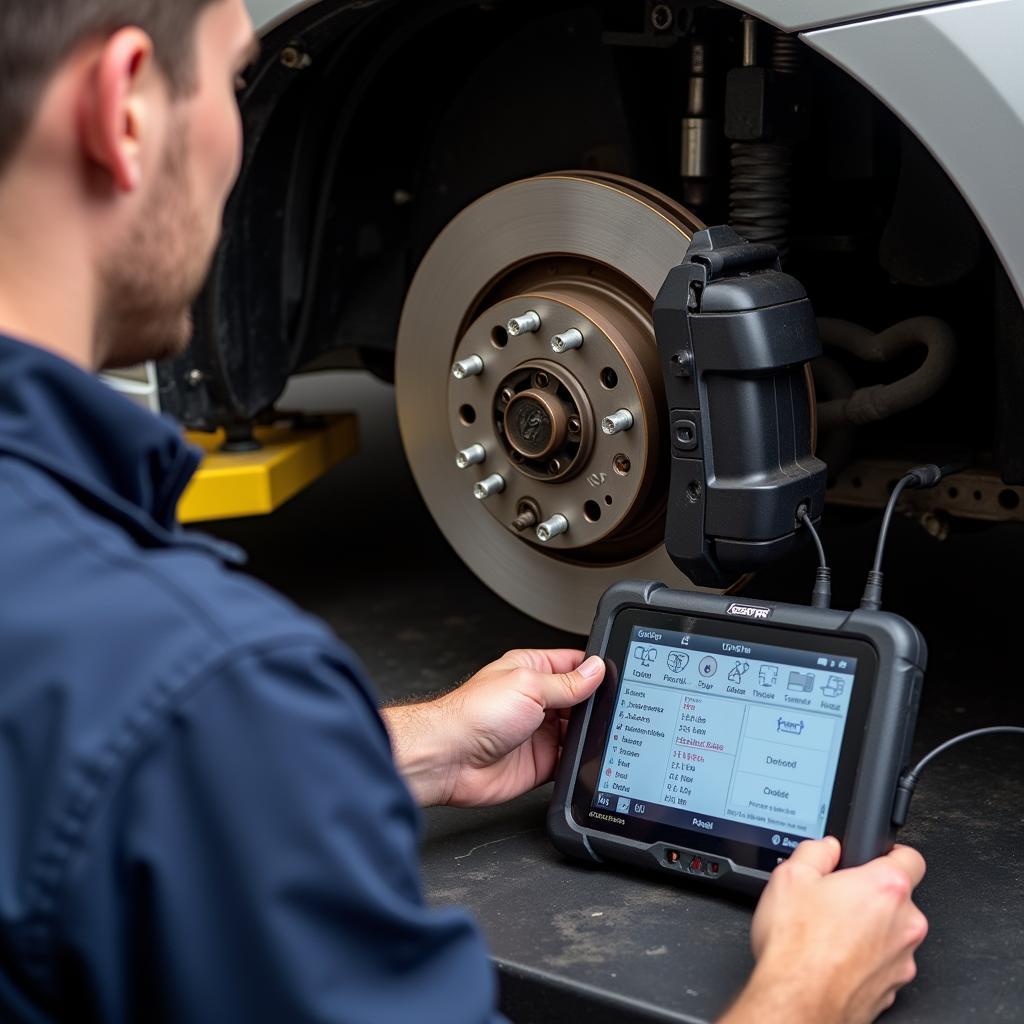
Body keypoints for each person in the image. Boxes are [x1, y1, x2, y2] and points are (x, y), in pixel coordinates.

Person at [0, 1, 928, 1021]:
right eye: (231, 85)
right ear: (121, 107)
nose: (242, 142)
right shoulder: (198, 679)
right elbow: (155, 742)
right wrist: (809, 991)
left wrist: (407, 745)